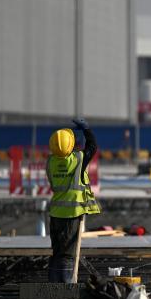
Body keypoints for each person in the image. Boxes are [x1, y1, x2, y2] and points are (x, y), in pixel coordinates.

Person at [45, 119, 100, 283]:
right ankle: (67, 285)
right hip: (72, 214)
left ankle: (54, 285)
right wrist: (87, 130)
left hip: (55, 213)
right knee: (68, 253)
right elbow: (92, 147)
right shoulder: (77, 160)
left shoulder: (51, 162)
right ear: (71, 145)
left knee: (57, 251)